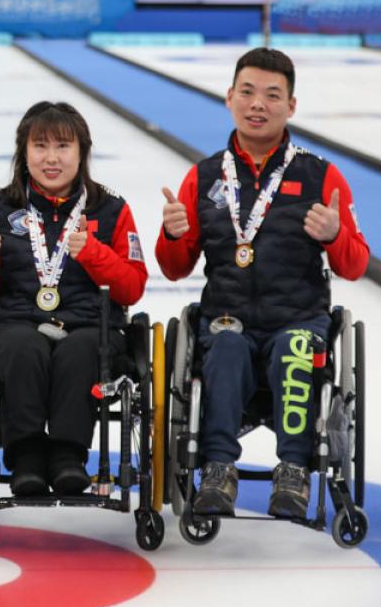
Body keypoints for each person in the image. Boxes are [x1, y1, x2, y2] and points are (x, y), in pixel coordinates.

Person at [156, 47, 369, 519]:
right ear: (229, 98)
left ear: (291, 106)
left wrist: (335, 236)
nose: (258, 104)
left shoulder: (321, 176)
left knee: (294, 347)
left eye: (272, 95)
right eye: (247, 92)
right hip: (226, 318)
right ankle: (217, 468)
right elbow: (173, 267)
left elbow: (355, 265)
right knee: (227, 345)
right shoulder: (205, 176)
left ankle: (292, 470)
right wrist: (171, 234)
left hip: (298, 319)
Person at [0, 102, 147, 495]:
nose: (51, 158)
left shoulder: (112, 210)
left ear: (82, 152)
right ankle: (26, 455)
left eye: (63, 146)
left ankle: (67, 455)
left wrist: (94, 253)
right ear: (22, 153)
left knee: (81, 351)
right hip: (19, 321)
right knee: (19, 347)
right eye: (39, 146)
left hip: (92, 325)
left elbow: (132, 288)